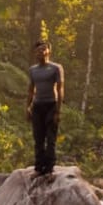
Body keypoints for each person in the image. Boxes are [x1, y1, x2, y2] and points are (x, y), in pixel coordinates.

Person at [27, 40, 65, 176]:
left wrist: (58, 110)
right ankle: (39, 168)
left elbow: (60, 89)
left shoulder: (56, 68)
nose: (40, 52)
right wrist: (28, 107)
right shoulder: (33, 70)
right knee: (38, 138)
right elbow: (31, 89)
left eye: (43, 49)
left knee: (50, 139)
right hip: (37, 106)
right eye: (38, 51)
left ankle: (49, 169)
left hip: (51, 105)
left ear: (49, 51)